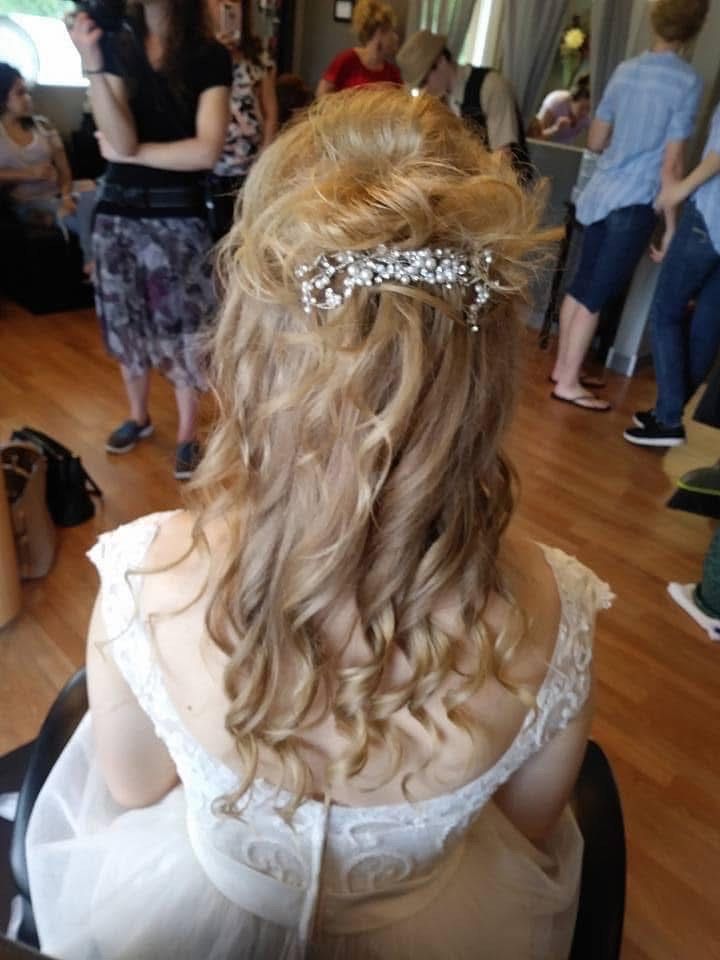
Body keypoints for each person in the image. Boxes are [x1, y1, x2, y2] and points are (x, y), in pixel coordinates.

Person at [26, 87, 612, 959]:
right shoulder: (558, 609)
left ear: (249, 353)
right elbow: (527, 828)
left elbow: (132, 785)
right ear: (487, 378)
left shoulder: (146, 576)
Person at [68, 1, 232, 480]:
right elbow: (117, 138)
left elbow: (205, 151)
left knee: (185, 331)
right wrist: (92, 64)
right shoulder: (115, 46)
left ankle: (187, 435)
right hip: (117, 216)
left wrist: (132, 156)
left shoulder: (208, 55)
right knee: (126, 326)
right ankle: (139, 417)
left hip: (178, 217)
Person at [550, 0, 709, 412]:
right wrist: (671, 226)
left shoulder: (624, 71)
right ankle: (568, 382)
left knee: (582, 286)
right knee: (595, 295)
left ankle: (563, 369)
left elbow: (595, 141)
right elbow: (672, 164)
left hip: (599, 195)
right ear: (694, 30)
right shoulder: (686, 82)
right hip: (634, 201)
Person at [623, 100, 720, 447]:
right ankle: (669, 414)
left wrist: (681, 189)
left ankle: (668, 419)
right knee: (707, 326)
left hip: (710, 218)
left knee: (666, 312)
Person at [396, 30, 533, 182]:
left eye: (424, 82)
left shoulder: (492, 87)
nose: (424, 91)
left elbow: (503, 159)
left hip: (507, 189)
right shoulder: (442, 100)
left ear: (441, 61)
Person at [0, 63, 96, 271]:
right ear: (3, 98)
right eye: (20, 93)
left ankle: (66, 214)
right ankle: (91, 259)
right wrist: (28, 174)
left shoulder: (43, 125)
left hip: (60, 192)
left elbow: (64, 169)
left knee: (95, 190)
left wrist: (67, 196)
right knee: (76, 215)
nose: (28, 98)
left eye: (27, 92)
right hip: (29, 202)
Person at [206, 0, 279, 239]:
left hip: (249, 166)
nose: (227, 5)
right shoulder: (197, 53)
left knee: (245, 234)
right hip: (211, 167)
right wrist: (215, 54)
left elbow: (270, 112)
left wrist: (264, 161)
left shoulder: (257, 55)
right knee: (214, 236)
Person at [316, 0, 400, 96]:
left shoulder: (393, 74)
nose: (396, 38)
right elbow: (321, 94)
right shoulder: (347, 60)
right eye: (391, 31)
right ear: (379, 33)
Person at [535, 76, 591, 145]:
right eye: (582, 108)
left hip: (564, 148)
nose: (585, 113)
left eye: (589, 109)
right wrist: (555, 128)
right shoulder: (555, 102)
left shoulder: (591, 113)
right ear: (572, 99)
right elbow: (536, 138)